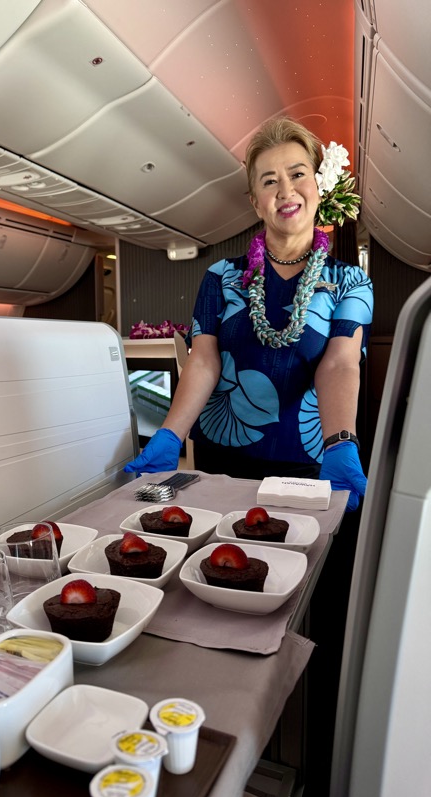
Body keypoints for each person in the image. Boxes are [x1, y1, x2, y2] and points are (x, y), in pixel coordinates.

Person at [125, 117, 373, 512]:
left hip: (307, 462)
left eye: (297, 174)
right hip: (219, 460)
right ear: (255, 200)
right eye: (269, 180)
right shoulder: (222, 277)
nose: (286, 191)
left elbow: (341, 365)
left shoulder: (350, 282)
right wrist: (170, 434)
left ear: (318, 185)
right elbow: (203, 360)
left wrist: (341, 441)